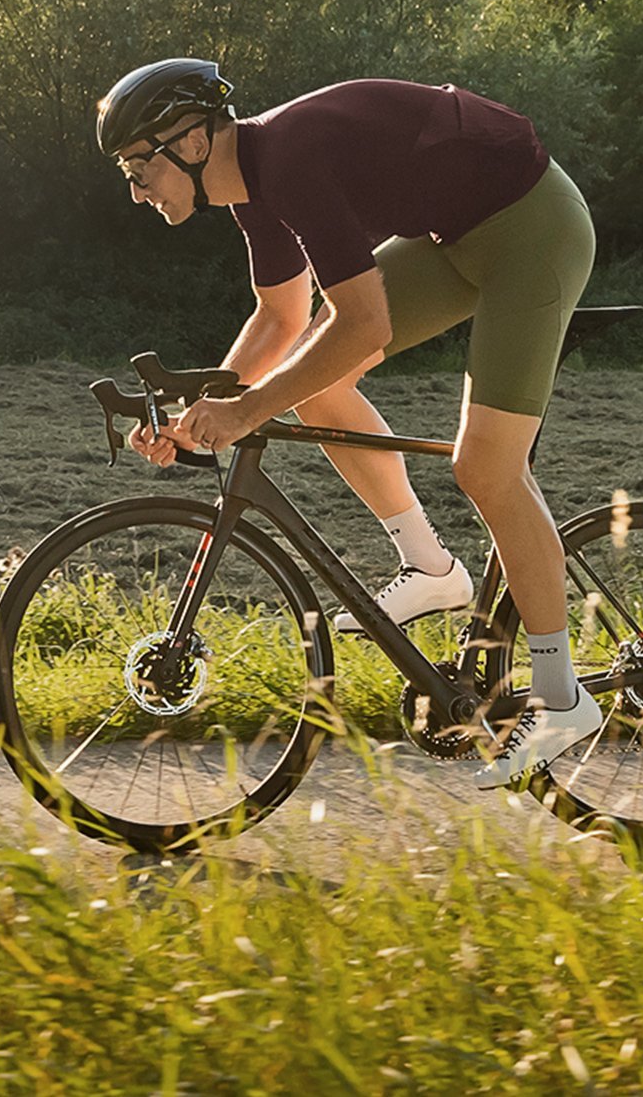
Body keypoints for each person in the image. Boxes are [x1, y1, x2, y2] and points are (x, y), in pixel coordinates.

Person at [95, 57, 602, 788]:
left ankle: (562, 697)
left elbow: (360, 326)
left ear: (193, 143)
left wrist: (244, 409)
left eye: (140, 167)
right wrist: (196, 417)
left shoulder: (292, 160)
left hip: (533, 228)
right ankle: (431, 567)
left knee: (485, 466)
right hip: (453, 238)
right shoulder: (256, 187)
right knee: (313, 384)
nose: (136, 190)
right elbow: (281, 318)